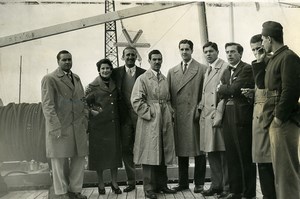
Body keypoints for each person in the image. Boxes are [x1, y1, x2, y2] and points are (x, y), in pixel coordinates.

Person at [259, 21, 300, 199]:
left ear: (269, 38)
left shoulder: (288, 57)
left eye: (262, 40)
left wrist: (278, 118)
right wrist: (259, 63)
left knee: (286, 171)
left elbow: (291, 91)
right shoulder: (276, 58)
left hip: (284, 121)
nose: (261, 44)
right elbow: (262, 85)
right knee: (281, 170)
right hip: (277, 120)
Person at [41, 50, 88, 199]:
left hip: (77, 126)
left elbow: (82, 100)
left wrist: (86, 117)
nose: (67, 62)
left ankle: (75, 191)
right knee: (59, 161)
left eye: (69, 59)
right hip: (61, 127)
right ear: (58, 62)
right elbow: (47, 105)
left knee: (79, 159)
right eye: (64, 60)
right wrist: (55, 127)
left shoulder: (77, 78)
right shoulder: (50, 79)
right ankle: (61, 193)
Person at [131, 50, 176, 199]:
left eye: (159, 59)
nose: (157, 62)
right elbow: (136, 100)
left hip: (165, 118)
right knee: (149, 153)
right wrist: (150, 113)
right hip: (150, 121)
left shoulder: (164, 79)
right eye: (154, 59)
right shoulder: (142, 78)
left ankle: (162, 185)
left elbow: (168, 99)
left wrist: (169, 111)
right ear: (149, 61)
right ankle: (149, 188)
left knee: (163, 150)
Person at [217, 43, 256, 199]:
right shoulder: (226, 70)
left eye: (233, 52)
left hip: (242, 116)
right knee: (231, 154)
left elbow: (233, 89)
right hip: (228, 114)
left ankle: (249, 192)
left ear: (240, 53)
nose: (229, 55)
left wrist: (224, 88)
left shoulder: (247, 69)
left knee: (245, 155)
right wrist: (227, 88)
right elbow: (221, 93)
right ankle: (235, 191)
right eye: (227, 52)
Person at [167, 39, 207, 193]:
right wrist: (171, 111)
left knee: (199, 150)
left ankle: (199, 183)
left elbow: (206, 93)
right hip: (179, 116)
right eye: (182, 49)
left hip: (195, 115)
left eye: (187, 49)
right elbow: (168, 95)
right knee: (181, 151)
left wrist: (200, 108)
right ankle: (183, 183)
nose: (184, 52)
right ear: (179, 51)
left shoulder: (202, 69)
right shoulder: (172, 71)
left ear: (192, 51)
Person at [242, 34, 276, 199]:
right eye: (253, 49)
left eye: (259, 48)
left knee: (266, 159)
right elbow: (261, 87)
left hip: (267, 116)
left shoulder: (270, 62)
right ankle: (267, 194)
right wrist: (253, 93)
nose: (256, 52)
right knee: (261, 159)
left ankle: (270, 195)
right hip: (258, 115)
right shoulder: (259, 63)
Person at [111, 46, 146, 192]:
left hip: (141, 117)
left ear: (136, 56)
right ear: (123, 56)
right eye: (128, 55)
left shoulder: (143, 73)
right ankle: (131, 182)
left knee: (144, 148)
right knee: (126, 148)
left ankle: (147, 183)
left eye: (133, 55)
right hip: (124, 118)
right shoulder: (115, 73)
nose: (130, 57)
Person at [85, 59, 122, 195]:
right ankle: (101, 184)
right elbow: (86, 105)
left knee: (114, 156)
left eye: (108, 68)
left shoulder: (115, 84)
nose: (105, 71)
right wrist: (95, 114)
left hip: (113, 126)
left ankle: (114, 183)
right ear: (99, 70)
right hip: (98, 128)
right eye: (103, 69)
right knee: (99, 157)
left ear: (111, 70)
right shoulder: (92, 86)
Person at [198, 42, 229, 196]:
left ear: (217, 52)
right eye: (206, 52)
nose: (208, 54)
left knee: (222, 152)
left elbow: (224, 95)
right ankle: (216, 185)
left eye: (211, 51)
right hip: (207, 117)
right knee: (212, 152)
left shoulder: (224, 68)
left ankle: (226, 187)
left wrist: (218, 114)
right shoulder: (207, 70)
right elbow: (205, 94)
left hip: (218, 117)